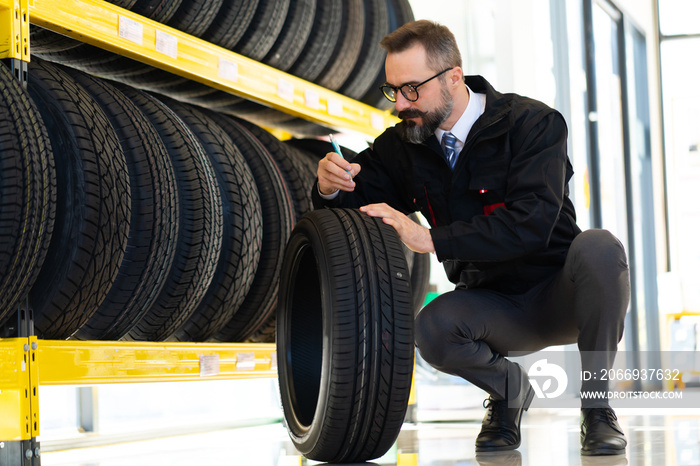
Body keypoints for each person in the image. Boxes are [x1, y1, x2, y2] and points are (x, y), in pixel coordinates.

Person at [312, 19, 630, 456]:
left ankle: (597, 408)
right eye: (393, 90)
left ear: (453, 77)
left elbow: (531, 222)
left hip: (561, 296)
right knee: (433, 328)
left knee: (600, 247)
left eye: (412, 89)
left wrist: (432, 239)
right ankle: (509, 393)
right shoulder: (401, 145)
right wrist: (330, 184)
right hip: (491, 309)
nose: (401, 104)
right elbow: (354, 206)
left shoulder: (532, 124)